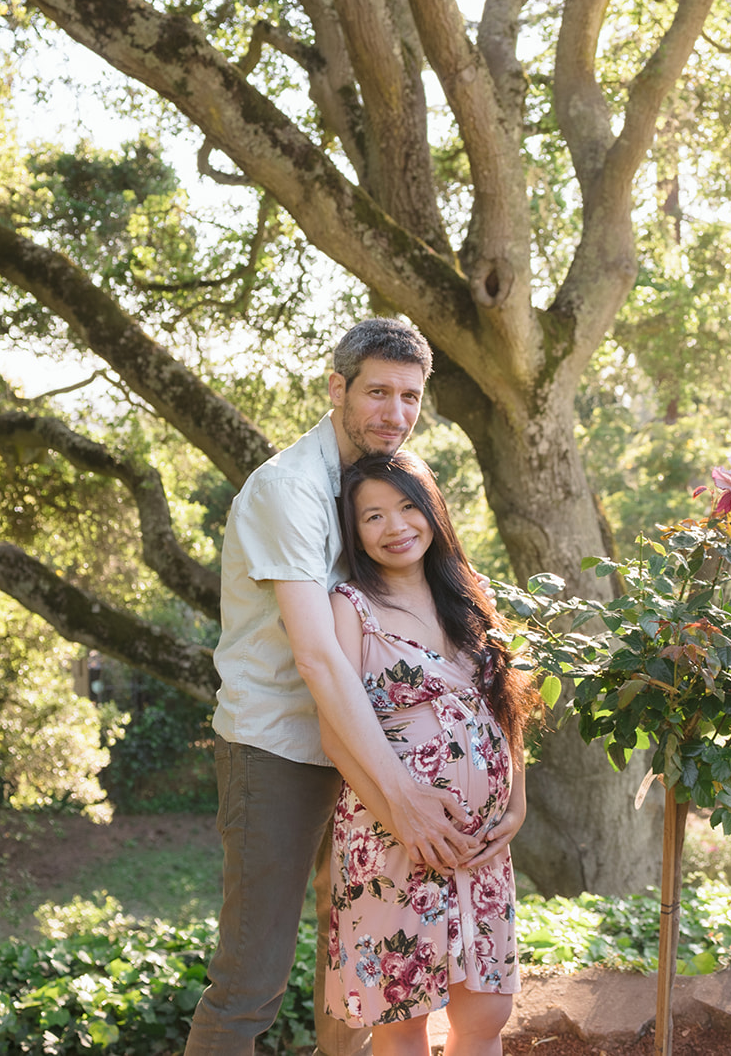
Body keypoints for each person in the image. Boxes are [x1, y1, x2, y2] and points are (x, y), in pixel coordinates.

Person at [188, 319, 481, 1056]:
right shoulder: (289, 489)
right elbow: (318, 658)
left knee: (358, 960)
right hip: (277, 749)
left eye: (410, 396)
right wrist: (401, 795)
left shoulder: (383, 484)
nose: (394, 411)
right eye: (378, 391)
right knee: (251, 978)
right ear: (336, 388)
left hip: (363, 745)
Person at [323, 451, 536, 1055]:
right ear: (354, 529)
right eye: (373, 516)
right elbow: (337, 734)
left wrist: (515, 806)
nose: (396, 527)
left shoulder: (472, 597)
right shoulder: (350, 608)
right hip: (390, 838)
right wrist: (408, 823)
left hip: (481, 844)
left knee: (486, 1015)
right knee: (402, 1021)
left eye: (409, 506)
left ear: (433, 511)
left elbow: (507, 707)